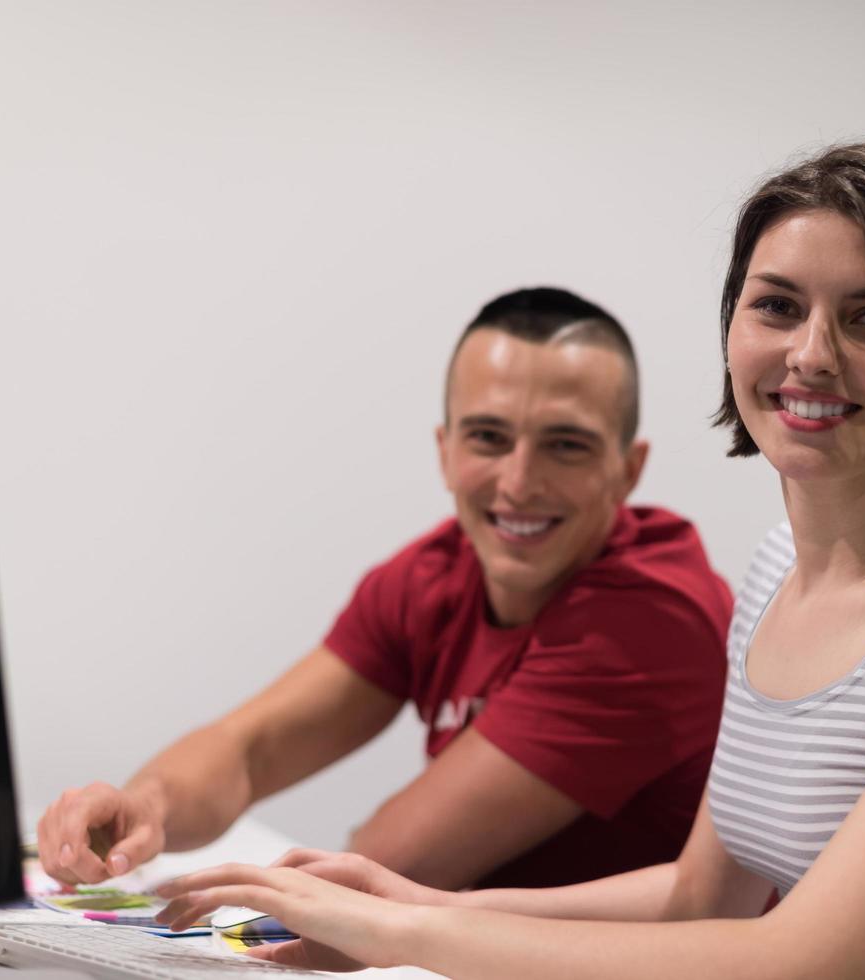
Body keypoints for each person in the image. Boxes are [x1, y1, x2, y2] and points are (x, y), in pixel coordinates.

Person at [154, 144, 865, 979]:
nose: (811, 353)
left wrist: (414, 928)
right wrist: (410, 902)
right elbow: (700, 893)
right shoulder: (774, 574)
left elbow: (804, 958)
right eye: (777, 306)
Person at [36, 287, 733, 891]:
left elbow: (390, 865)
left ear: (629, 469)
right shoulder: (433, 574)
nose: (520, 482)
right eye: (489, 437)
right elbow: (250, 752)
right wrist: (144, 807)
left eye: (566, 445)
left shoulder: (651, 620)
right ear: (445, 450)